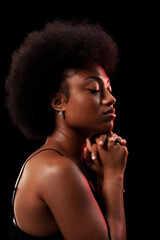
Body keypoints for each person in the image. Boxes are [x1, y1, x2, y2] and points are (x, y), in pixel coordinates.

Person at [4, 19, 128, 240]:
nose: (111, 99)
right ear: (59, 102)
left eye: (108, 89)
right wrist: (114, 175)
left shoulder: (73, 161)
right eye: (94, 89)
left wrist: (101, 180)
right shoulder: (56, 170)